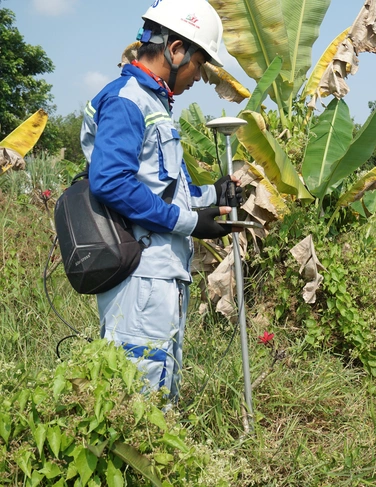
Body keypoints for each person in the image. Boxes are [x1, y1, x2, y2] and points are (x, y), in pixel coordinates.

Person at [80, 0, 240, 401]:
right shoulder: (127, 100)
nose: (200, 77)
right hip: (140, 274)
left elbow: (168, 190)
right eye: (199, 64)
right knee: (136, 392)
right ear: (175, 50)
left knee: (160, 378)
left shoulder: (155, 104)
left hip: (162, 274)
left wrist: (214, 196)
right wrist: (192, 223)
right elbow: (111, 183)